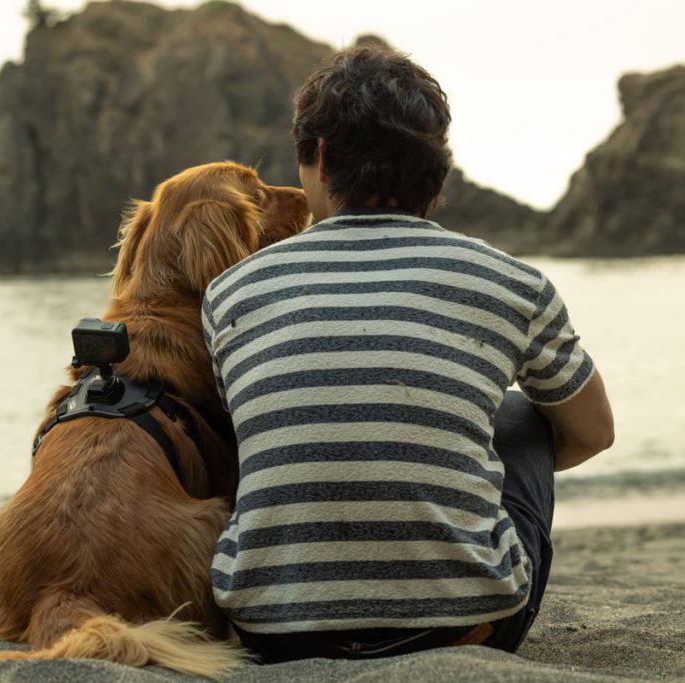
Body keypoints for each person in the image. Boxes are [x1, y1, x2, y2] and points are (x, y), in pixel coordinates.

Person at [201, 45, 615, 662]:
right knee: (522, 415)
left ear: (316, 157)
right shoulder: (512, 284)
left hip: (272, 631)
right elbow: (594, 433)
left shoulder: (230, 291)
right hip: (468, 629)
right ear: (438, 168)